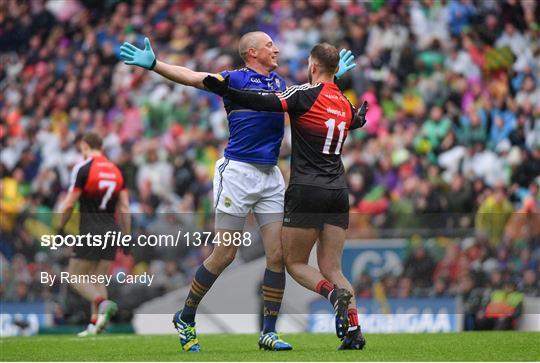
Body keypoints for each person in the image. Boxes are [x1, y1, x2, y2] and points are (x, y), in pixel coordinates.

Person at [119, 32, 356, 352]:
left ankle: (268, 332)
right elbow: (192, 77)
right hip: (238, 174)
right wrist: (156, 65)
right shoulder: (233, 79)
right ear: (252, 52)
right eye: (270, 45)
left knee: (278, 256)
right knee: (225, 254)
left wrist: (331, 76)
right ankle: (186, 315)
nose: (276, 49)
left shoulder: (281, 84)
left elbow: (314, 98)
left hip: (270, 175)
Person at [203, 43, 368, 350]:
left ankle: (333, 296)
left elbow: (263, 102)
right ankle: (354, 332)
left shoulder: (303, 94)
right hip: (338, 191)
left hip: (306, 189)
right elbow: (355, 120)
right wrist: (359, 117)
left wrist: (228, 92)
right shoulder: (345, 103)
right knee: (334, 268)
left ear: (313, 67)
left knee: (293, 263)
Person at [57, 132, 130, 336]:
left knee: (75, 276)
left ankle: (102, 303)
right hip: (112, 229)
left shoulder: (83, 168)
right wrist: (127, 235)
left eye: (82, 149)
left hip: (91, 228)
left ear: (86, 146)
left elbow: (70, 203)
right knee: (97, 278)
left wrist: (60, 227)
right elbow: (124, 208)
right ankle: (96, 325)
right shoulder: (116, 171)